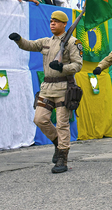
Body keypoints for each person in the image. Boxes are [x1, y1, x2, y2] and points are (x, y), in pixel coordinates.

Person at [9, 10, 82, 173]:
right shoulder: (46, 41)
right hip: (47, 88)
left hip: (64, 87)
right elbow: (30, 45)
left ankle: (63, 156)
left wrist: (63, 67)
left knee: (63, 123)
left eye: (56, 21)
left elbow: (78, 65)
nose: (52, 23)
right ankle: (57, 142)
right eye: (51, 21)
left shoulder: (73, 42)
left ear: (64, 24)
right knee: (40, 119)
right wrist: (18, 40)